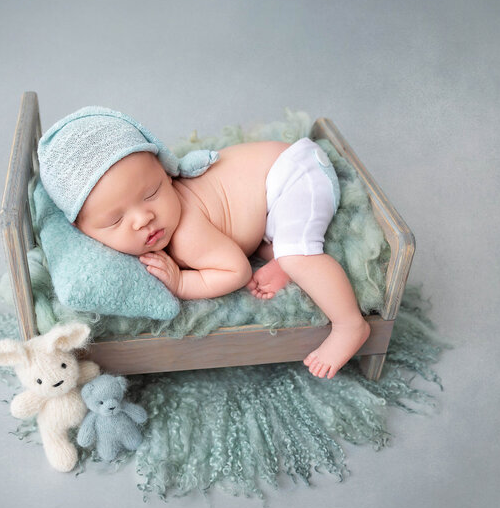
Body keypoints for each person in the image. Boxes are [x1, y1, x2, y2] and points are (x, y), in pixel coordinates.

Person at [38, 107, 370, 379]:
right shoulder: (141, 219)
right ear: (82, 230)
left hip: (296, 176)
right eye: (115, 220)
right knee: (271, 245)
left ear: (167, 173)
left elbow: (236, 271)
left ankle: (349, 325)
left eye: (152, 193)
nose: (143, 219)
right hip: (271, 187)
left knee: (300, 256)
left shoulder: (185, 236)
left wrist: (181, 281)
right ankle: (278, 258)